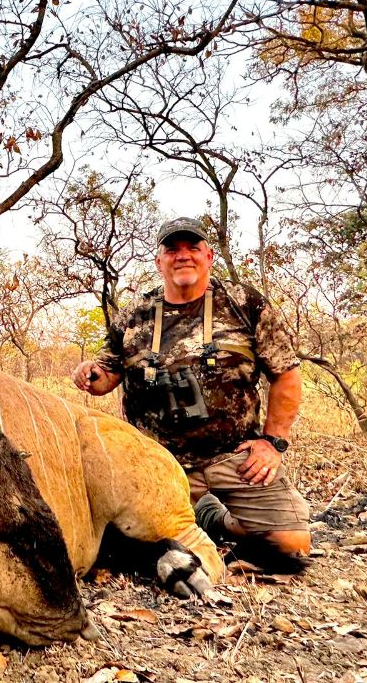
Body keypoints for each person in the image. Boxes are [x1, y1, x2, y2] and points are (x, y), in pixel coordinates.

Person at [72, 217, 311, 560]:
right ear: (159, 262)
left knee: (292, 546)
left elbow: (286, 374)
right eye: (172, 249)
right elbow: (106, 376)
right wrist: (89, 374)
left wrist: (272, 443)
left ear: (209, 256)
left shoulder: (244, 303)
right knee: (124, 543)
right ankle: (190, 515)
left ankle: (213, 519)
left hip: (237, 457)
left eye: (192, 248)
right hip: (159, 464)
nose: (183, 255)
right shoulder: (134, 316)